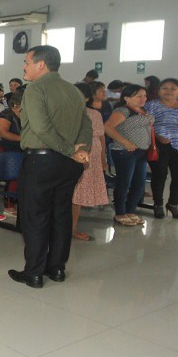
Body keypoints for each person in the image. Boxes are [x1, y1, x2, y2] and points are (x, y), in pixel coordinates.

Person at [9, 45, 92, 289]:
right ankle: (56, 268)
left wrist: (69, 149)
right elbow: (86, 125)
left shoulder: (35, 89)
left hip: (42, 161)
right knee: (61, 215)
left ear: (40, 64)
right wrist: (81, 150)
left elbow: (41, 128)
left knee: (35, 217)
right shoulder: (73, 90)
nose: (24, 66)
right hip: (69, 165)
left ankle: (33, 273)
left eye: (26, 62)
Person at [145, 78, 178, 219]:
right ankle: (158, 205)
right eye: (165, 88)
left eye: (173, 88)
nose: (168, 91)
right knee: (159, 175)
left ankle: (173, 204)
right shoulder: (151, 106)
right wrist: (157, 136)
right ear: (159, 90)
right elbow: (146, 126)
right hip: (159, 145)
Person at [104, 84, 153, 226]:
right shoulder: (123, 111)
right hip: (125, 152)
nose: (143, 99)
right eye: (139, 96)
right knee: (124, 183)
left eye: (144, 96)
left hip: (141, 152)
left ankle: (131, 211)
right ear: (127, 98)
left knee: (139, 183)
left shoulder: (143, 111)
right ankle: (120, 213)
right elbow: (107, 127)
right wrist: (126, 142)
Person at [71, 83, 109, 240]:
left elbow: (101, 137)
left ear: (87, 98)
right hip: (71, 151)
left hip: (90, 154)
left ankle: (71, 228)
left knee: (77, 194)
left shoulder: (94, 114)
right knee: (70, 192)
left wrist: (102, 161)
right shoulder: (64, 113)